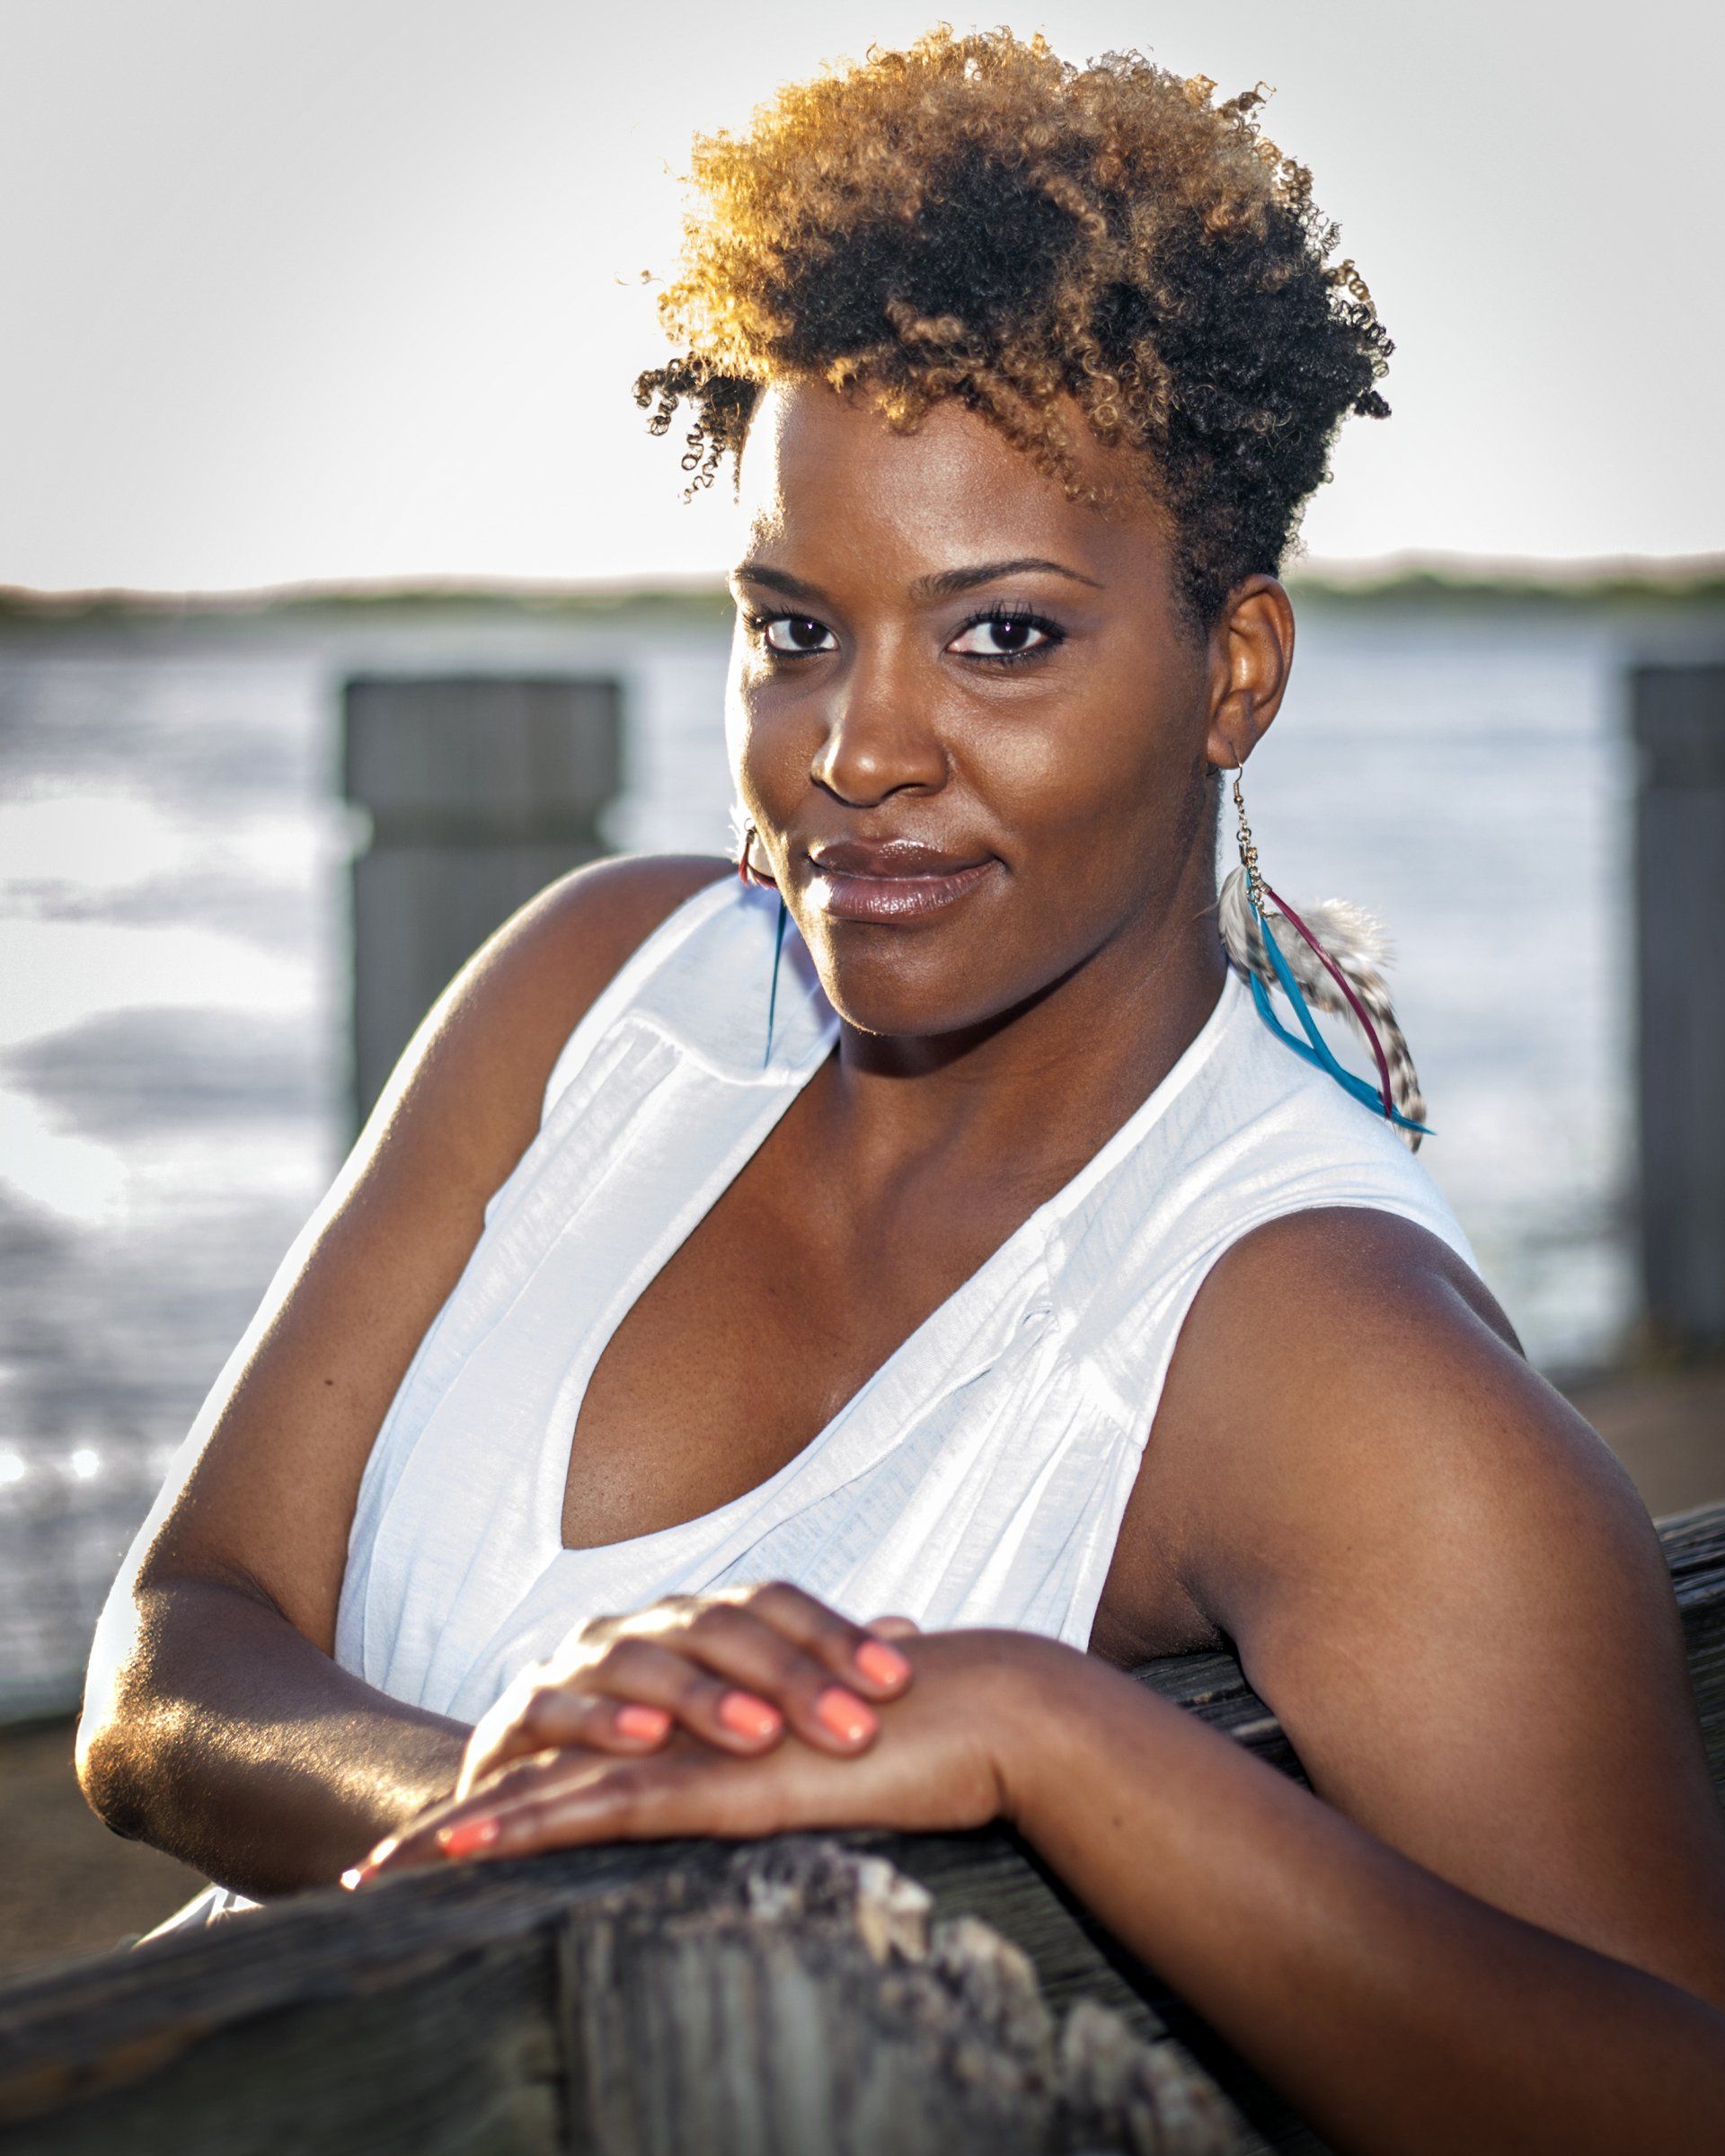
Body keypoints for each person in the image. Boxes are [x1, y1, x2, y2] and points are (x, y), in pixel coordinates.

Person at [80, 28, 1725, 2146]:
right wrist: (528, 1800)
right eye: (791, 628)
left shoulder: (1318, 1356)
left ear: (1235, 670)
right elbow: (167, 1668)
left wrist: (1051, 1734)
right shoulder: (602, 996)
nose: (855, 752)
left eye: (1004, 636)